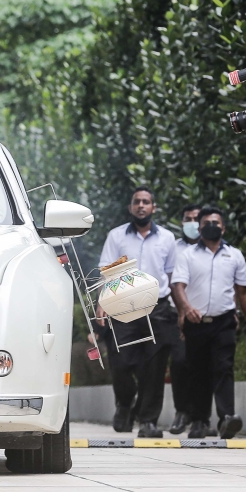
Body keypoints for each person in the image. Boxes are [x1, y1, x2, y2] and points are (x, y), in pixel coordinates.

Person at [171, 206, 246, 439]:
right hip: (196, 322)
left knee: (224, 368)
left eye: (216, 222)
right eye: (206, 223)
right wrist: (186, 308)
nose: (211, 226)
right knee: (198, 372)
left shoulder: (234, 255)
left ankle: (226, 419)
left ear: (223, 227)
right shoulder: (187, 255)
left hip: (224, 322)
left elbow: (243, 293)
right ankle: (199, 421)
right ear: (199, 228)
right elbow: (178, 286)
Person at [96, 186, 180, 438]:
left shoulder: (167, 238)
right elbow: (107, 271)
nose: (141, 205)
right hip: (123, 306)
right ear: (130, 207)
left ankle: (148, 421)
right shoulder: (116, 236)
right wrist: (102, 303)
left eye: (146, 202)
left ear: (153, 208)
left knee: (154, 367)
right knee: (121, 362)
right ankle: (124, 403)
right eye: (137, 202)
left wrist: (180, 310)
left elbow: (171, 275)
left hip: (158, 308)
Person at [168, 202, 202, 435]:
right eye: (188, 219)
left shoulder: (213, 248)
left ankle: (202, 417)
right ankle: (182, 412)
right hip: (177, 314)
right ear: (182, 222)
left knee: (204, 366)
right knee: (179, 362)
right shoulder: (174, 248)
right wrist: (181, 312)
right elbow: (170, 280)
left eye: (196, 219)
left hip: (207, 317)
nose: (193, 224)